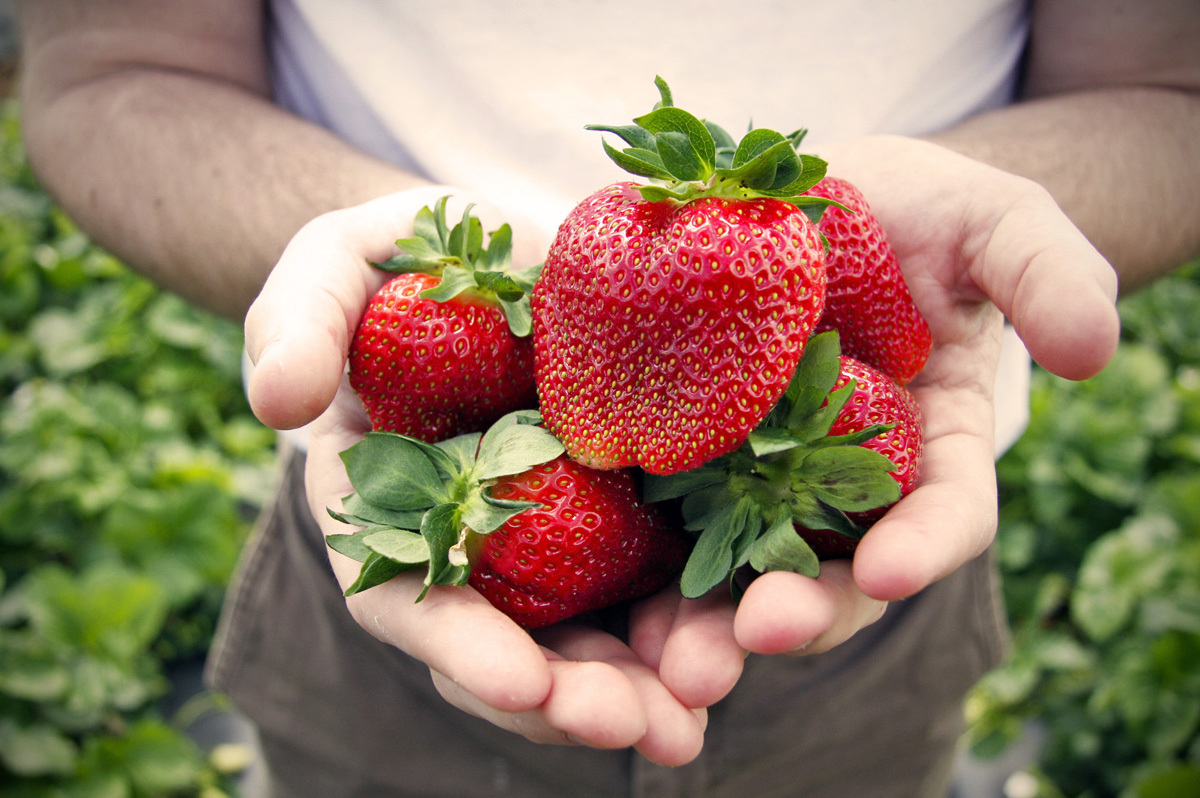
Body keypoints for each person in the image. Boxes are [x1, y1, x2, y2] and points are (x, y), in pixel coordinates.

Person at [15, 1, 1200, 796]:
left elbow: (1166, 84)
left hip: (871, 550)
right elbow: (121, 62)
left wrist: (961, 219)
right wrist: (408, 278)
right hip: (394, 557)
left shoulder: (798, 263)